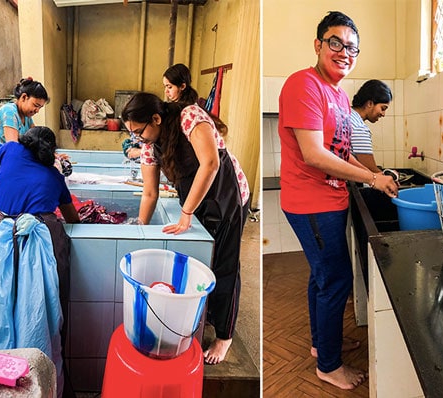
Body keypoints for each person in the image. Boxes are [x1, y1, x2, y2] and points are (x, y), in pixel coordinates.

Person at [278, 11, 399, 390]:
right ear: (318, 44)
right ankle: (328, 366)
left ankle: (321, 344)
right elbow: (313, 154)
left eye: (352, 48)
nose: (345, 52)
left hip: (328, 201)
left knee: (323, 277)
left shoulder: (338, 94)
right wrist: (372, 177)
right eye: (336, 43)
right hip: (312, 203)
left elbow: (339, 151)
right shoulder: (304, 85)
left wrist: (374, 179)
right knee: (336, 280)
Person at [121, 92, 250, 365]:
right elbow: (149, 193)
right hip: (197, 198)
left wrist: (186, 212)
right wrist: (140, 229)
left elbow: (211, 163)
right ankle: (212, 314)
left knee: (225, 264)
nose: (137, 138)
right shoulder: (149, 145)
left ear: (156, 118)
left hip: (226, 194)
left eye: (139, 131)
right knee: (204, 262)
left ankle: (224, 337)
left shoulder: (189, 116)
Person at [0, 126, 80, 397]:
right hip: (43, 241)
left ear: (25, 141)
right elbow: (73, 217)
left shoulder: (9, 150)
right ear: (49, 153)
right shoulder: (54, 176)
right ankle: (43, 381)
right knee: (43, 315)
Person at [121, 63, 200, 160]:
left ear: (182, 86)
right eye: (165, 87)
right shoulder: (168, 113)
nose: (166, 91)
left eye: (169, 87)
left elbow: (209, 162)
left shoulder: (190, 115)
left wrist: (139, 152)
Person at [350, 79, 392, 173]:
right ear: (370, 103)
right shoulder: (359, 127)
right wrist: (387, 178)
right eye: (383, 108)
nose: (383, 114)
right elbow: (369, 168)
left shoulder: (347, 115)